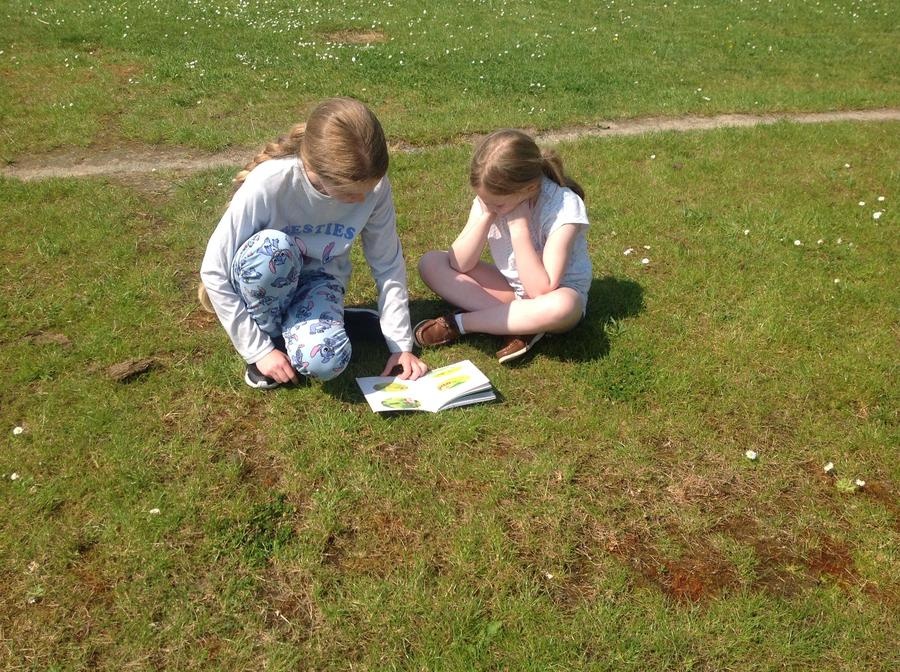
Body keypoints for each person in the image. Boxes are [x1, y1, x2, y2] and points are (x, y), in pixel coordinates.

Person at [199, 97, 428, 389]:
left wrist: (400, 345)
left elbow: (387, 264)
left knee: (326, 363)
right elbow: (214, 271)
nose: (361, 200)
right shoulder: (271, 182)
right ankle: (273, 340)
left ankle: (329, 320)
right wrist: (259, 351)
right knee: (274, 249)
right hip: (265, 278)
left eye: (367, 190)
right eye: (349, 194)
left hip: (318, 281)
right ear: (314, 168)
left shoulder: (374, 188)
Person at [415, 129, 592, 363]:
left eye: (497, 204)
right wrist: (486, 215)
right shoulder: (493, 199)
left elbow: (540, 291)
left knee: (563, 306)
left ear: (528, 189)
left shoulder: (563, 207)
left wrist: (519, 227)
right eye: (483, 200)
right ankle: (519, 327)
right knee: (431, 263)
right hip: (512, 289)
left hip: (555, 296)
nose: (489, 206)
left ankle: (462, 323)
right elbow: (460, 264)